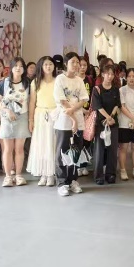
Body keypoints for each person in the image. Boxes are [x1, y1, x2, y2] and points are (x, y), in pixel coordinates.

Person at [53, 52, 87, 196]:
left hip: (77, 119)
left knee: (76, 151)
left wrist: (74, 111)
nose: (76, 65)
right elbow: (62, 100)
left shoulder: (79, 80)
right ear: (66, 64)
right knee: (62, 151)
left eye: (77, 62)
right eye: (73, 62)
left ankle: (73, 180)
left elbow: (83, 99)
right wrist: (73, 119)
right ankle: (62, 182)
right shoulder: (60, 79)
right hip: (64, 120)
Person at [0, 57, 31, 187]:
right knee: (8, 148)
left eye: (21, 66)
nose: (18, 68)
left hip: (22, 117)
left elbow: (31, 102)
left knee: (19, 148)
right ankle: (8, 176)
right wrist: (6, 111)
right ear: (11, 68)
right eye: (16, 65)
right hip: (7, 118)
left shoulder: (28, 83)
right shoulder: (4, 83)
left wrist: (30, 120)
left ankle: (19, 175)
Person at [28, 56, 57, 186]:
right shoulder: (35, 82)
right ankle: (43, 174)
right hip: (40, 115)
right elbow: (32, 102)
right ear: (41, 66)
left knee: (52, 144)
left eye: (50, 64)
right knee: (41, 144)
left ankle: (51, 174)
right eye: (45, 64)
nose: (48, 67)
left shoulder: (58, 81)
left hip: (54, 114)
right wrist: (30, 120)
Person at [91, 63, 121, 185]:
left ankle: (111, 174)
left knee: (112, 149)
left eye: (112, 74)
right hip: (100, 123)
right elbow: (97, 106)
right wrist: (107, 117)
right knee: (99, 150)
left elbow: (117, 104)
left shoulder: (116, 89)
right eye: (108, 74)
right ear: (103, 74)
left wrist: (111, 117)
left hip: (113, 123)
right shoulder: (97, 89)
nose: (110, 76)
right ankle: (98, 176)